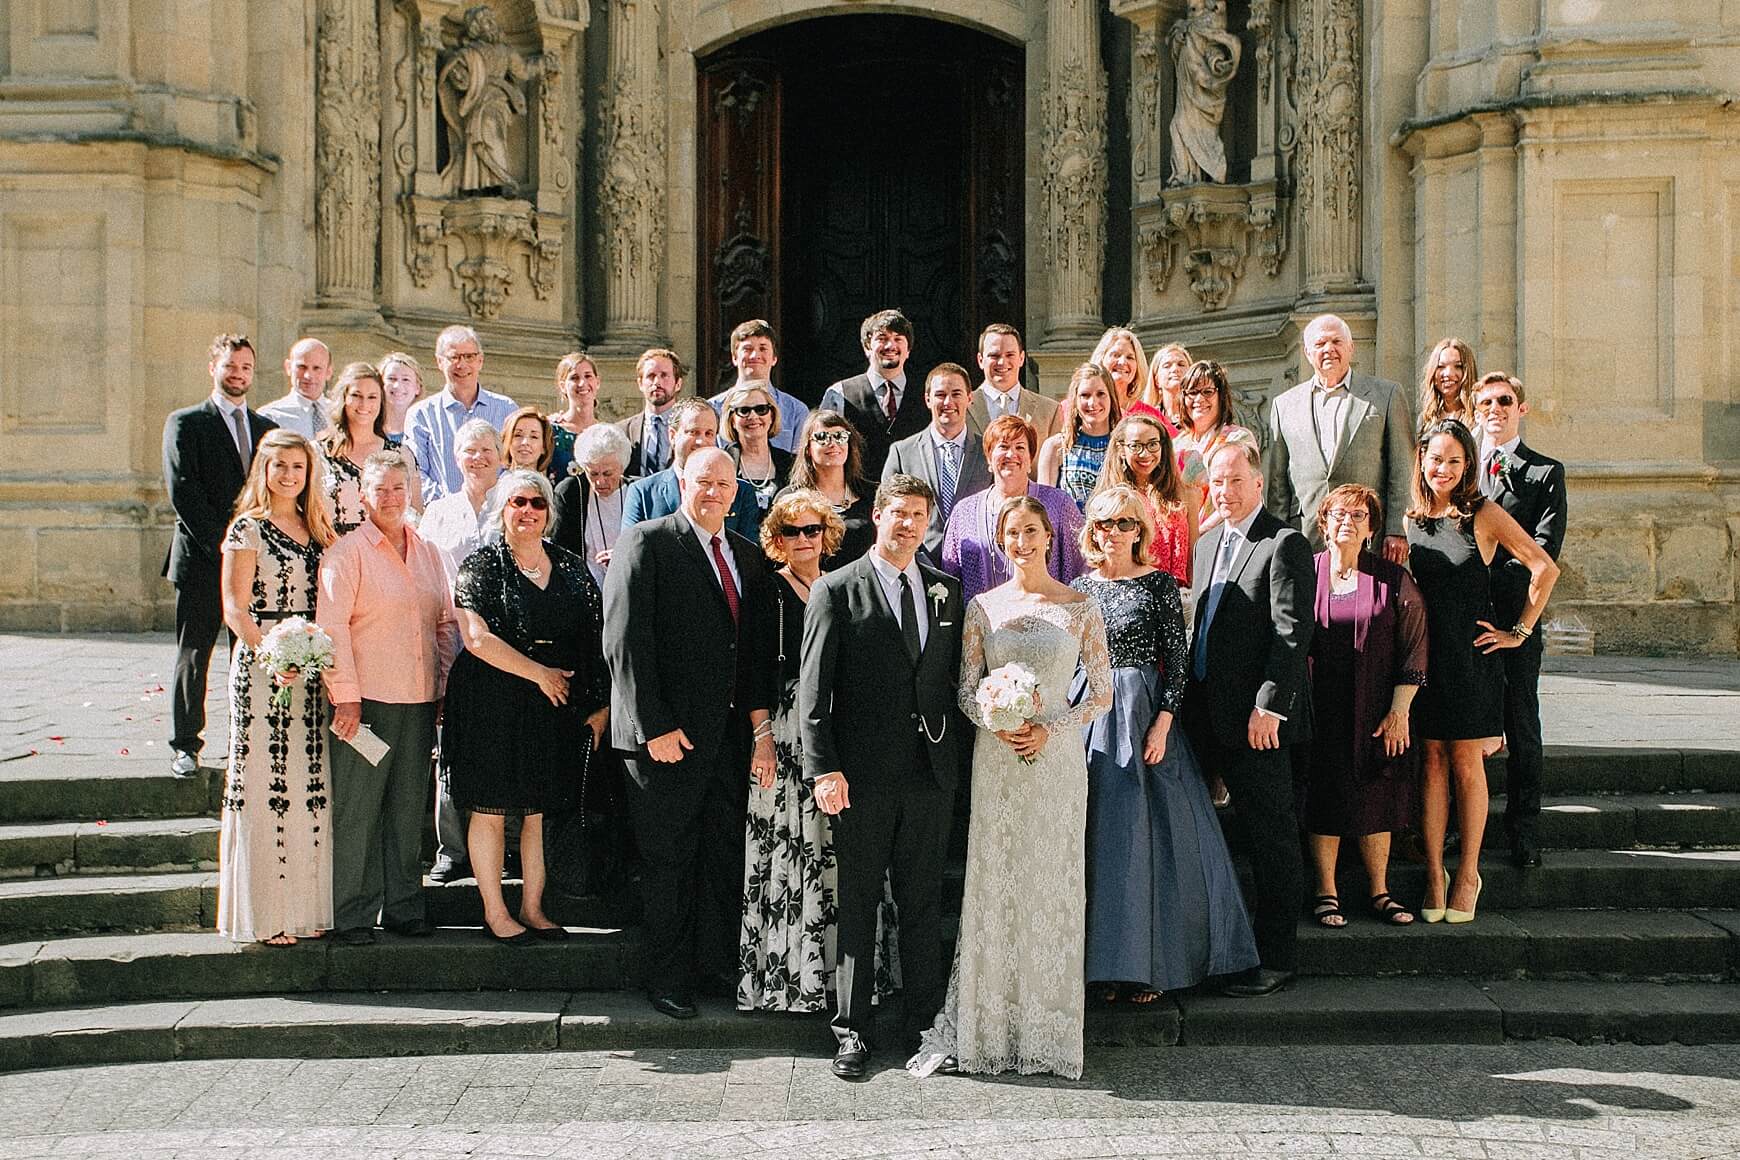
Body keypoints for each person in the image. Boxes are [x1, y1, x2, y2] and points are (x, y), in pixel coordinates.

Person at [909, 495, 1112, 1080]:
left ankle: (1047, 1032)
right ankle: (991, 1024)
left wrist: (1048, 728)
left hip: (1056, 762)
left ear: (1050, 536)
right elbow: (967, 688)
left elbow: (1101, 693)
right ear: (1000, 541)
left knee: (1050, 882)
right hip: (996, 760)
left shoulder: (1080, 607)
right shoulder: (982, 608)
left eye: (1031, 531)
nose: (1021, 541)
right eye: (1011, 533)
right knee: (996, 879)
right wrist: (998, 718)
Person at [800, 475, 965, 1078]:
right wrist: (825, 769)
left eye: (919, 515)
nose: (908, 525)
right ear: (876, 515)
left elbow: (949, 683)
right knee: (859, 904)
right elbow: (814, 696)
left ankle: (926, 1028)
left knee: (922, 905)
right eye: (898, 514)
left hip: (929, 775)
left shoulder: (947, 590)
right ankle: (851, 1031)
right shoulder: (837, 589)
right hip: (861, 778)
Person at [604, 447, 770, 1019]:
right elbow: (624, 643)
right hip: (663, 740)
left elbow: (747, 654)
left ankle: (714, 966)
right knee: (668, 861)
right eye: (704, 481)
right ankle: (667, 978)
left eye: (725, 483)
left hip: (725, 740)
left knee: (722, 854)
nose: (714, 491)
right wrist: (653, 726)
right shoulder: (647, 541)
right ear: (681, 480)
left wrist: (758, 729)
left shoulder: (746, 557)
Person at [1072, 486, 1256, 1000]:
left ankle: (1147, 966)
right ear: (1093, 530)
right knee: (1097, 841)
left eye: (1125, 524)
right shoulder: (1078, 588)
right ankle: (1100, 968)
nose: (1114, 533)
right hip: (1088, 712)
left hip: (1143, 714)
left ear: (1141, 531)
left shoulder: (1157, 585)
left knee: (1144, 841)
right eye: (1105, 524)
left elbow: (1176, 661)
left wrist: (1163, 722)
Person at [738, 489, 898, 1012]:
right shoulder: (765, 591)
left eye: (812, 530)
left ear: (828, 534)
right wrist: (762, 740)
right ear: (776, 540)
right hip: (785, 733)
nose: (803, 541)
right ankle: (795, 977)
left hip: (844, 728)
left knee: (846, 847)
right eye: (791, 532)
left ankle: (850, 976)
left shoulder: (849, 585)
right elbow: (753, 673)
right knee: (795, 848)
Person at [443, 470, 609, 944]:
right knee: (491, 811)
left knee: (539, 811)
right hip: (490, 700)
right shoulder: (481, 566)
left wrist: (598, 705)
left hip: (552, 703)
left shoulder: (571, 566)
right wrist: (539, 673)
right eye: (518, 502)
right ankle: (495, 913)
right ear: (502, 509)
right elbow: (476, 638)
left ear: (549, 513)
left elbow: (594, 636)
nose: (528, 511)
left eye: (538, 503)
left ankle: (533, 908)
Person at [1408, 419, 1559, 923]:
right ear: (1421, 460)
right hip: (1423, 661)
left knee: (1467, 767)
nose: (1443, 469)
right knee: (1430, 763)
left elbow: (1544, 567)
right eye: (1435, 459)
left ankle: (1469, 872)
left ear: (1468, 464)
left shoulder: (1485, 514)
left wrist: (1518, 631)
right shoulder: (1408, 519)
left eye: (1454, 460)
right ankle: (1434, 872)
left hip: (1471, 661)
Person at [1182, 441, 1315, 996]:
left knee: (1271, 838)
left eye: (1237, 480)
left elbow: (1292, 634)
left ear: (1258, 483)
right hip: (1205, 716)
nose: (1226, 491)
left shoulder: (1284, 543)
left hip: (1259, 723)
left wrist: (1268, 706)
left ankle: (1277, 955)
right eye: (1218, 481)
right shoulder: (1208, 541)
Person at [318, 450, 460, 945]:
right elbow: (332, 629)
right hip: (367, 705)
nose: (391, 498)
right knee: (358, 810)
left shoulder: (428, 552)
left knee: (405, 808)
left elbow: (443, 626)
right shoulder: (346, 553)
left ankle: (404, 906)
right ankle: (353, 913)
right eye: (380, 489)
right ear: (362, 495)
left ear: (412, 492)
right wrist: (347, 698)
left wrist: (444, 689)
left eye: (399, 488)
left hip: (419, 703)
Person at [216, 430, 339, 945]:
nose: (289, 475)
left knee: (308, 780)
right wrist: (272, 654)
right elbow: (233, 607)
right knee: (266, 782)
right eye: (280, 466)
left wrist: (311, 656)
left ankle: (305, 910)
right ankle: (265, 915)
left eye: (298, 466)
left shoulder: (318, 527)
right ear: (263, 471)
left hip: (310, 667)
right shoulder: (248, 528)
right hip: (262, 666)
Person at [1303, 485, 1427, 930]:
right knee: (1324, 797)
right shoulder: (1307, 573)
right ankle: (1326, 891)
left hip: (1378, 710)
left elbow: (1415, 648)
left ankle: (1380, 890)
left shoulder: (1394, 579)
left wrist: (1400, 711)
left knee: (1378, 796)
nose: (1347, 522)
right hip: (1322, 710)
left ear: (1372, 527)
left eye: (1358, 516)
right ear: (1323, 522)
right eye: (1338, 514)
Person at [162, 334, 277, 776]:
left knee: (248, 653)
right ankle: (185, 746)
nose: (238, 374)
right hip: (201, 560)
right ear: (213, 367)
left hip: (253, 564)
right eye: (230, 366)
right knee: (194, 653)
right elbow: (183, 492)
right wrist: (227, 544)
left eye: (246, 367)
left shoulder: (266, 429)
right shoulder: (185, 423)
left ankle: (245, 740)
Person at [1474, 372, 1568, 869]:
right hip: (1469, 620)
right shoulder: (1463, 472)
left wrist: (1518, 628)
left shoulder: (1545, 472)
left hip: (1516, 620)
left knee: (1521, 723)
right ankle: (1464, 828)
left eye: (1504, 401)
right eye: (1486, 402)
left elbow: (1545, 550)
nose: (1495, 409)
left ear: (1521, 409)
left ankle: (1523, 829)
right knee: (1467, 726)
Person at [1265, 314, 1414, 564]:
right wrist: (1279, 539)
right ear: (1307, 352)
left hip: (1368, 534)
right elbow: (1278, 484)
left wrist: (1397, 529)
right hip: (1306, 535)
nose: (1329, 349)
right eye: (1321, 343)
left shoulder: (1385, 395)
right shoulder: (1284, 405)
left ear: (1351, 347)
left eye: (1336, 341)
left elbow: (1402, 467)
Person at [941, 416, 1085, 604]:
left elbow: (1081, 568)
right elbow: (949, 578)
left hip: (1048, 622)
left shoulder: (1059, 504)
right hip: (984, 626)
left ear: (1030, 458)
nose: (1011, 454)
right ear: (989, 458)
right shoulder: (964, 512)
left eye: (1020, 447)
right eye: (1003, 447)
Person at [883, 363, 992, 566]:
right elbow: (887, 511)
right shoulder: (902, 452)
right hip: (918, 564)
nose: (948, 402)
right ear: (927, 399)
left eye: (956, 394)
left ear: (970, 398)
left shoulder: (988, 452)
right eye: (940, 394)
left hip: (977, 565)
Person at [621, 397, 761, 540]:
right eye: (693, 432)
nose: (701, 441)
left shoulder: (740, 492)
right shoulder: (643, 493)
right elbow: (632, 548)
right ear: (672, 435)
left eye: (709, 434)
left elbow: (748, 553)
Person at [405, 325, 517, 501]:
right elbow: (416, 473)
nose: (462, 364)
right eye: (454, 357)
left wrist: (493, 502)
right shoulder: (421, 415)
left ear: (480, 360)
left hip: (497, 515)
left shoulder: (506, 409)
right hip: (442, 517)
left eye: (469, 357)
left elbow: (515, 466)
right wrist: (452, 507)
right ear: (439, 362)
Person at [819, 309, 930, 478]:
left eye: (898, 339)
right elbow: (823, 449)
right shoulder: (840, 394)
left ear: (908, 350)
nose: (890, 346)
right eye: (882, 338)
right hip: (855, 498)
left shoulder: (927, 395)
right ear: (867, 347)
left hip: (912, 500)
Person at [1095, 414, 1194, 587]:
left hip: (1178, 594)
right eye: (1136, 446)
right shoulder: (1109, 499)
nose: (1145, 453)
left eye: (1152, 444)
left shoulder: (1185, 494)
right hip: (1129, 593)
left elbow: (1194, 556)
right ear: (1121, 449)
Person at [322, 362, 414, 536]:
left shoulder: (401, 454)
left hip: (386, 554)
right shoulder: (319, 452)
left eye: (372, 397)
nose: (364, 404)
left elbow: (414, 513)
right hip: (334, 553)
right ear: (343, 398)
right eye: (356, 395)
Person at [779, 411, 876, 568]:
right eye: (822, 437)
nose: (833, 444)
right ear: (808, 448)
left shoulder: (872, 494)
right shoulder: (790, 498)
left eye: (840, 436)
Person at [1173, 359, 1256, 537]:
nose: (1199, 399)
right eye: (1192, 392)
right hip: (1182, 540)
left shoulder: (1238, 438)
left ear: (1221, 395)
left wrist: (1201, 532)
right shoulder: (1176, 445)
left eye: (1208, 392)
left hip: (1227, 533)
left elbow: (1243, 492)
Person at [552, 422, 635, 588]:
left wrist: (623, 557)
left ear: (622, 468)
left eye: (608, 473)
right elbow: (561, 549)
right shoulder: (571, 492)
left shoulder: (638, 491)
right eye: (593, 474)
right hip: (587, 590)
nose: (600, 481)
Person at [709, 319, 810, 453]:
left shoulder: (796, 411)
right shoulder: (712, 409)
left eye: (763, 348)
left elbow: (800, 466)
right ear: (734, 357)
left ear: (774, 358)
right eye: (747, 349)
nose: (755, 355)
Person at [420, 418, 504, 580]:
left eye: (486, 450)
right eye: (470, 450)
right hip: (452, 604)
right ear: (457, 459)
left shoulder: (514, 505)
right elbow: (423, 568)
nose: (478, 456)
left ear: (500, 458)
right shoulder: (438, 511)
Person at [1037, 362, 1122, 511]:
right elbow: (1044, 509)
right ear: (1075, 400)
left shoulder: (1124, 446)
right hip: (1069, 532)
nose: (1093, 403)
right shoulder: (1056, 446)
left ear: (1111, 397)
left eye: (1100, 394)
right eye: (1085, 395)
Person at [966, 323, 1060, 442]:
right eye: (994, 355)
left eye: (1010, 355)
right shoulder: (962, 407)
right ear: (980, 360)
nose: (1002, 362)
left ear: (1021, 358)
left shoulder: (1049, 411)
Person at [720, 381, 794, 528]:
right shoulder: (722, 462)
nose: (753, 416)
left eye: (761, 409)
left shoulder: (790, 462)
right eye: (744, 410)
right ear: (732, 420)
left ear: (772, 416)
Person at [618, 348, 686, 477]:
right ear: (640, 383)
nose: (657, 382)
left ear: (678, 384)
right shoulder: (622, 431)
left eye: (664, 375)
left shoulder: (690, 428)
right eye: (651, 376)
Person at [258, 337, 333, 440]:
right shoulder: (270, 417)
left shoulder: (341, 413)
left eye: (317, 368)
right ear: (288, 367)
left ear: (328, 372)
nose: (308, 375)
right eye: (302, 367)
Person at [548, 351, 603, 481]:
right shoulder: (551, 431)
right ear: (562, 386)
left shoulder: (606, 433)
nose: (582, 383)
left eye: (588, 376)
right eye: (574, 378)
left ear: (597, 382)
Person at [1090, 326, 1160, 421]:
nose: (1122, 362)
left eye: (1130, 357)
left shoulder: (1152, 416)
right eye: (1116, 355)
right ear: (1101, 359)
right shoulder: (1078, 407)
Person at [1418, 337, 1479, 432]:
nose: (1448, 374)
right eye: (1441, 366)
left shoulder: (1479, 416)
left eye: (1458, 366)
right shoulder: (1426, 419)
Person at [379, 351, 425, 443]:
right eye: (391, 378)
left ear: (417, 388)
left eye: (405, 379)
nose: (397, 386)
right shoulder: (367, 428)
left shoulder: (425, 430)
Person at [1148, 342, 1192, 434]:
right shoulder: (1148, 419)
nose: (1175, 369)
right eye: (1167, 366)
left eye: (1181, 364)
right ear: (1156, 380)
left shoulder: (1200, 415)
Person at [503, 406, 553, 475]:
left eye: (534, 437)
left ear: (544, 446)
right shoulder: (494, 484)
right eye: (518, 435)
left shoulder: (547, 485)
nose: (525, 442)